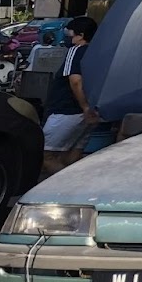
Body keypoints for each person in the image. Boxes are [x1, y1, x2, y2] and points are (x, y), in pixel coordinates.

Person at [41, 16, 97, 176]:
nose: (68, 37)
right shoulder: (96, 52)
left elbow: (75, 81)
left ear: (80, 35)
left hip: (67, 111)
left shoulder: (76, 51)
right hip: (87, 112)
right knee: (70, 155)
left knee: (46, 156)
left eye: (70, 34)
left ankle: (71, 185)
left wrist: (84, 106)